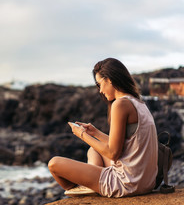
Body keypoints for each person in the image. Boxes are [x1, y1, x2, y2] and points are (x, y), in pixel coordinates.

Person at [48, 58, 158, 198]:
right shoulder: (138, 103)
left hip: (126, 183)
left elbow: (113, 153)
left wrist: (82, 134)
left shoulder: (120, 105)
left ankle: (89, 187)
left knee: (54, 164)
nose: (100, 90)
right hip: (146, 182)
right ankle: (93, 184)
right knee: (94, 150)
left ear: (110, 80)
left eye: (100, 84)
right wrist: (95, 132)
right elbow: (126, 144)